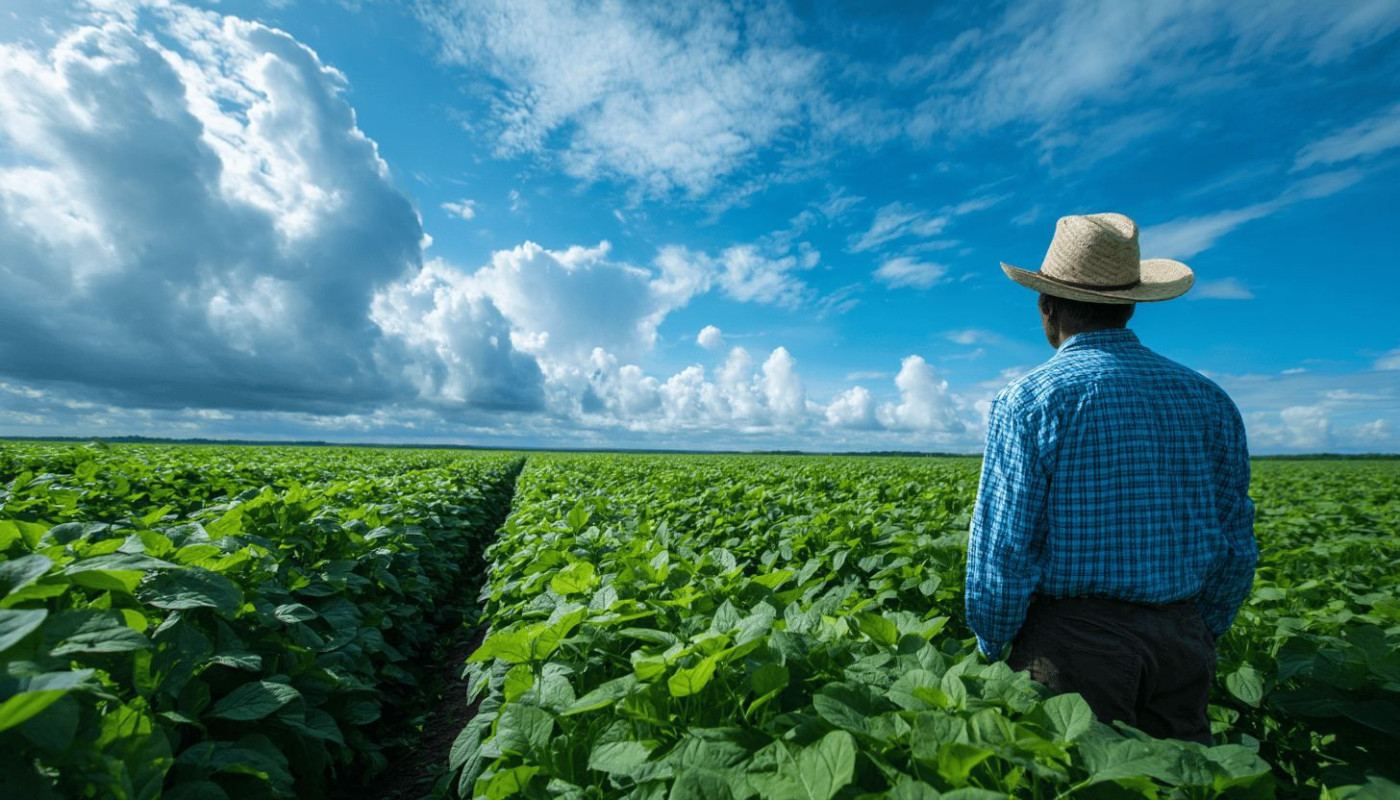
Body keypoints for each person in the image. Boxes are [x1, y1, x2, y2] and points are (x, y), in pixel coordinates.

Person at [965, 212, 1257, 745]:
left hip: (1074, 647)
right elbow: (1236, 542)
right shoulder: (1210, 399)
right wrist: (1201, 627)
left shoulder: (1031, 399)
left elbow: (1004, 549)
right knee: (1181, 780)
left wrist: (992, 642)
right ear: (1130, 305)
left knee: (1080, 776)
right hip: (1182, 636)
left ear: (1046, 307)